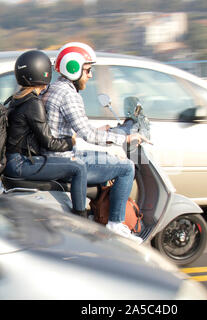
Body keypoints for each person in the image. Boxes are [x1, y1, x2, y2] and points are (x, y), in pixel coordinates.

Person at [42, 42, 148, 244]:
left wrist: (103, 131)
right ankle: (116, 225)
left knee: (109, 158)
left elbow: (75, 128)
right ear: (73, 69)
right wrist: (124, 138)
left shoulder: (57, 88)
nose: (90, 75)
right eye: (88, 70)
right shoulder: (68, 94)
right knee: (126, 168)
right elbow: (88, 135)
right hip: (64, 161)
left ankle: (98, 216)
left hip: (58, 156)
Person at [4, 49, 88, 217]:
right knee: (79, 167)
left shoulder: (17, 98)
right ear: (43, 73)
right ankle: (81, 218)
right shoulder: (33, 103)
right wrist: (71, 141)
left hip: (15, 161)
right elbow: (49, 143)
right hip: (21, 164)